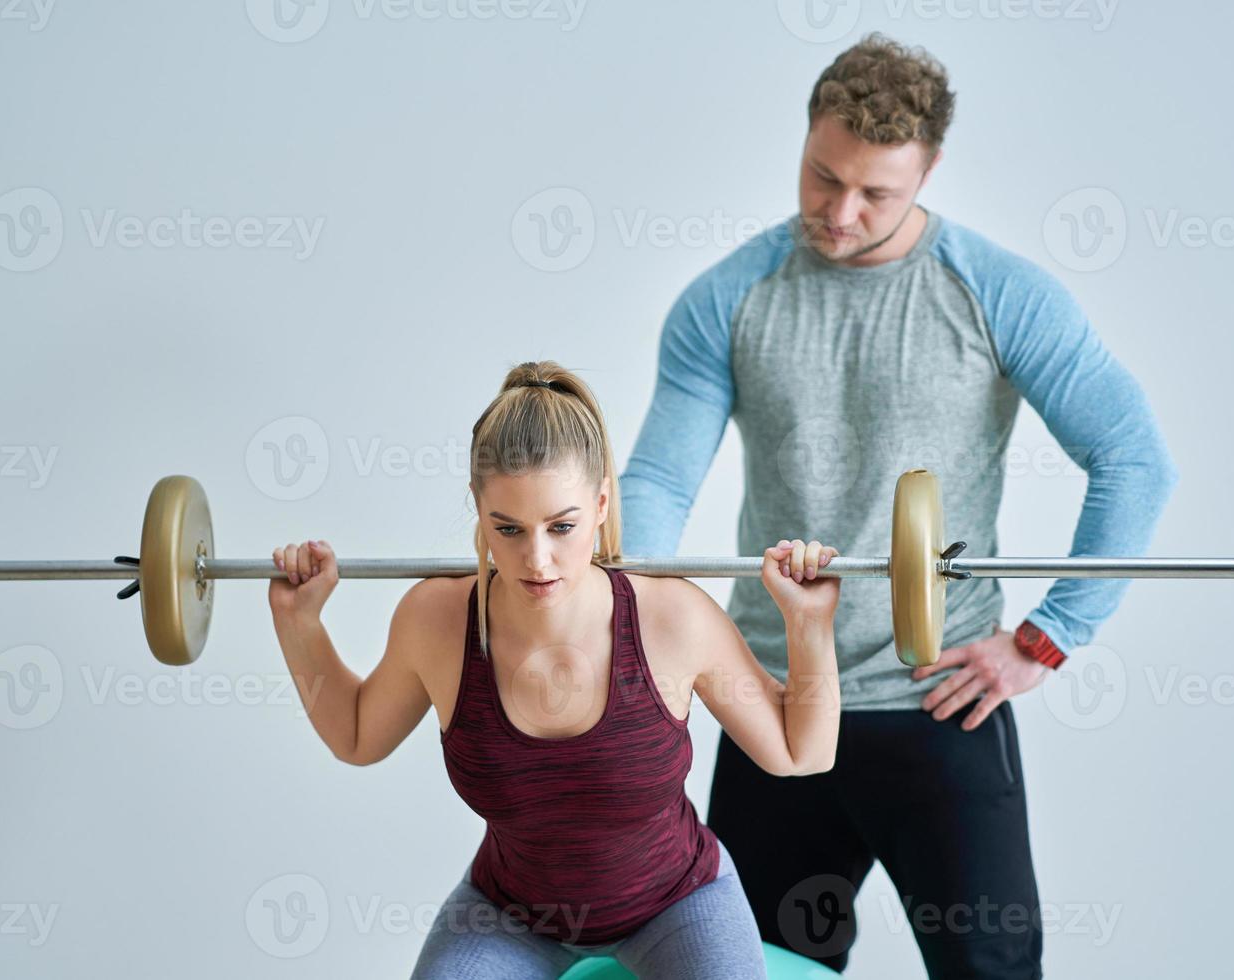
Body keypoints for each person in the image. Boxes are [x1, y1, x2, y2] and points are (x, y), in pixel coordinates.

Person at [619, 33, 1178, 978]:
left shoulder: (996, 294)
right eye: (821, 176)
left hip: (940, 706)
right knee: (743, 974)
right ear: (805, 139)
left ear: (930, 171)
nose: (839, 213)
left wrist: (1048, 637)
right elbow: (660, 483)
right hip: (773, 707)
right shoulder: (728, 299)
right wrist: (628, 622)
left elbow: (1132, 457)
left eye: (875, 193)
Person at [265, 360, 845, 980]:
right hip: (512, 914)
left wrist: (809, 627)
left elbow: (799, 752)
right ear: (478, 511)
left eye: (561, 526)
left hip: (676, 901)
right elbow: (357, 736)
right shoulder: (436, 619)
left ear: (600, 504)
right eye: (507, 528)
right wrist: (300, 626)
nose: (536, 559)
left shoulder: (671, 619)